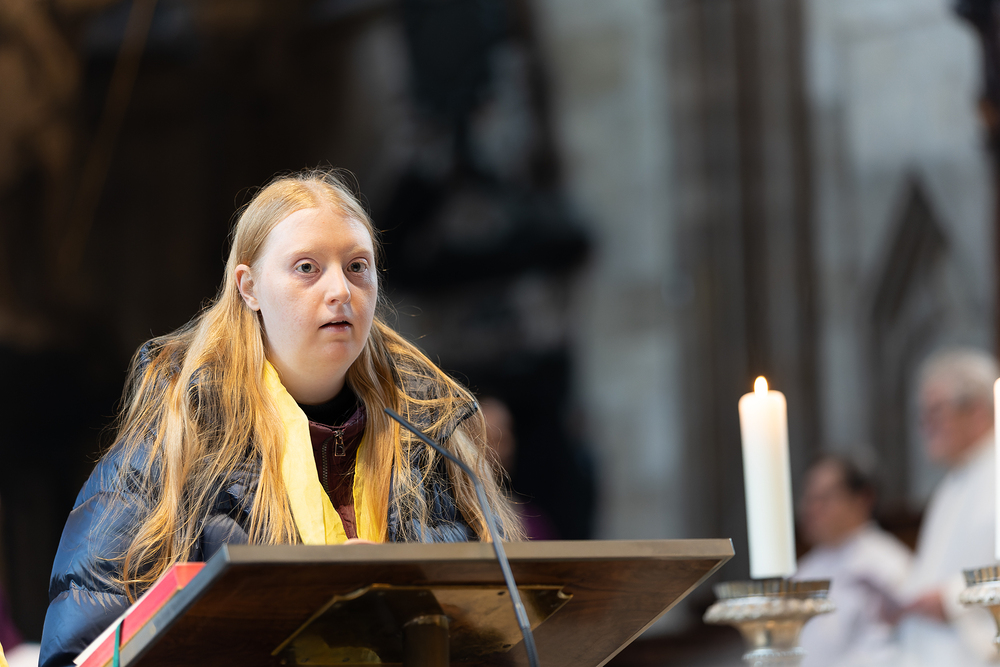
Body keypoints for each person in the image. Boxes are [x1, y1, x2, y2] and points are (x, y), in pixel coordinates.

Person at [39, 170, 523, 667]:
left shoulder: (430, 437)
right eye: (307, 268)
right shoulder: (179, 438)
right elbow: (80, 651)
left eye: (357, 266)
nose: (340, 290)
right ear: (248, 288)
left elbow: (505, 639)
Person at [892, 347, 998, 666]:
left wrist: (950, 598)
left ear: (977, 410)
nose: (925, 425)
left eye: (936, 410)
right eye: (923, 413)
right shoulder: (952, 484)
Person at [794, 456, 912, 667]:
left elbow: (892, 647)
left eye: (824, 498)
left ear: (862, 499)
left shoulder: (889, 564)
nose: (812, 509)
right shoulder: (805, 568)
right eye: (809, 498)